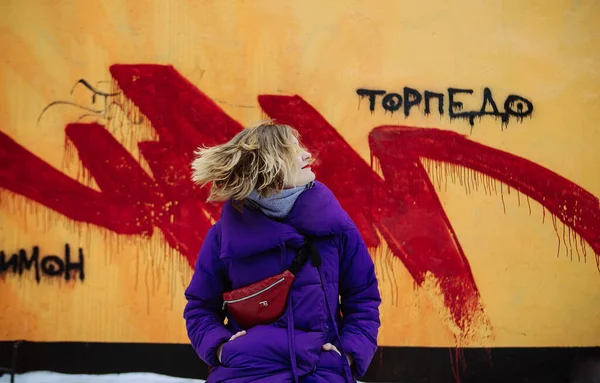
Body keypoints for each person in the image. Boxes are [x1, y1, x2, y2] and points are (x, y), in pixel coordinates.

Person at [183, 121, 381, 383]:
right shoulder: (222, 237)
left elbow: (363, 299)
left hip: (321, 372)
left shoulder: (337, 229)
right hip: (246, 373)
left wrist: (348, 356)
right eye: (292, 150)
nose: (307, 155)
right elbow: (200, 307)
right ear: (268, 165)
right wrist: (221, 348)